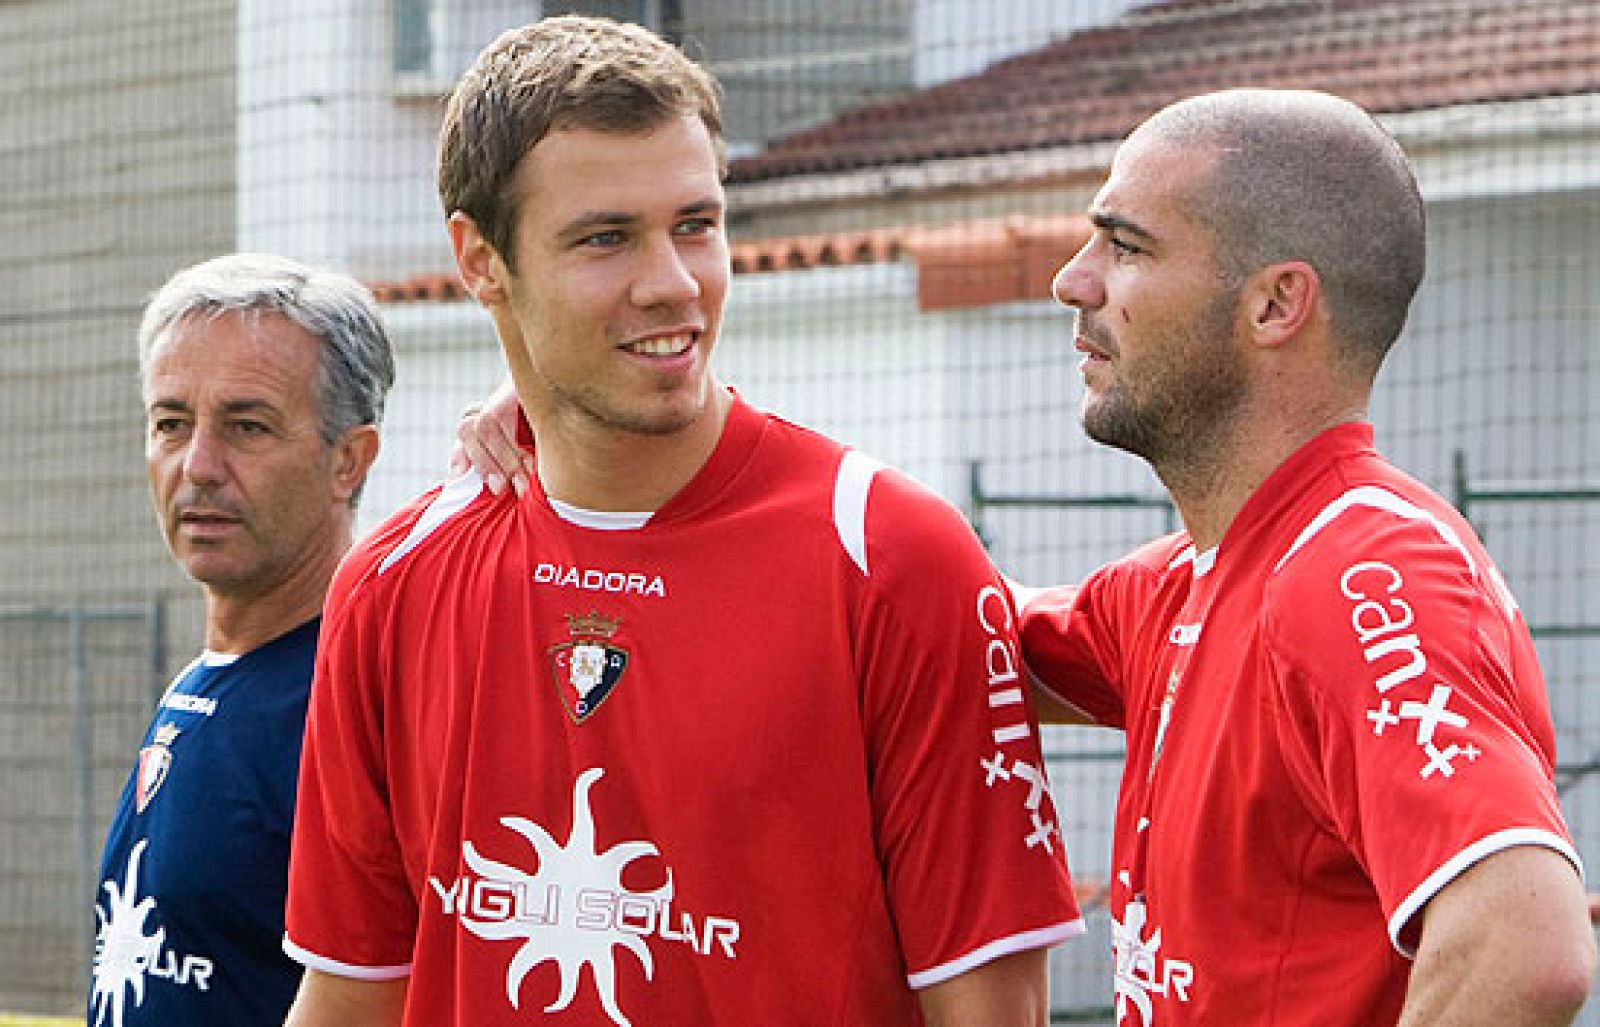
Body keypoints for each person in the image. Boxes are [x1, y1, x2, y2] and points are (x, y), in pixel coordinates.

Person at [280, 14, 1081, 1027]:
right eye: (606, 238)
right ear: (480, 261)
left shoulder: (889, 555)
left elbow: (990, 1010)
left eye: (694, 225)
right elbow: (351, 991)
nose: (672, 283)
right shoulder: (393, 579)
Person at [1016, 88, 1596, 1025]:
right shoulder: (1188, 582)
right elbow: (950, 635)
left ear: (1277, 303)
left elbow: (1524, 943)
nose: (1073, 281)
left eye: (1125, 247)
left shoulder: (1363, 565)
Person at [90, 254, 395, 1027]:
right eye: (171, 423)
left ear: (348, 460)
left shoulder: (363, 703)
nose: (198, 467)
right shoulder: (208, 677)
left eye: (246, 426)